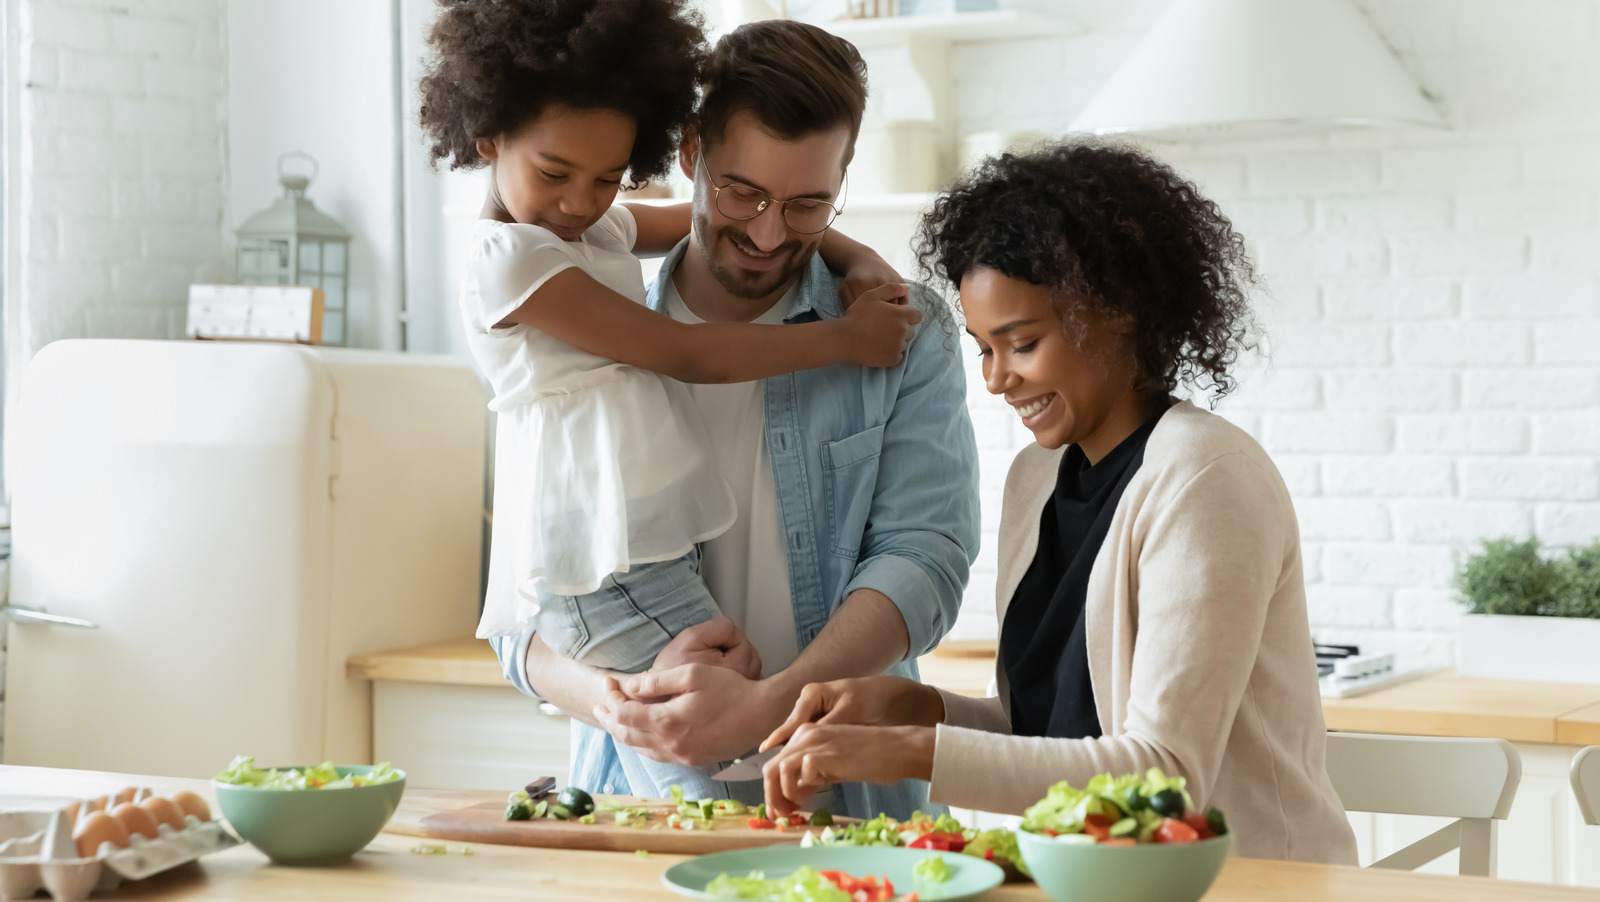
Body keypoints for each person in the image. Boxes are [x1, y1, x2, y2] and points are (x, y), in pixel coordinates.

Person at [757, 140, 1362, 864]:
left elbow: (1163, 776)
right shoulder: (1036, 480)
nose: (996, 380)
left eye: (1022, 344)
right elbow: (1051, 733)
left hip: (1247, 885)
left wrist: (913, 754)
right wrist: (908, 709)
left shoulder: (1205, 479)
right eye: (984, 348)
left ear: (1121, 314)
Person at [417, 0, 921, 797]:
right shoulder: (508, 262)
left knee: (714, 751)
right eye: (555, 173)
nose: (583, 201)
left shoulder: (581, 231)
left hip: (643, 556)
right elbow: (684, 353)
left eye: (607, 177)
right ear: (489, 136)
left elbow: (696, 218)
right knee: (701, 779)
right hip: (605, 564)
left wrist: (856, 259)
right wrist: (844, 341)